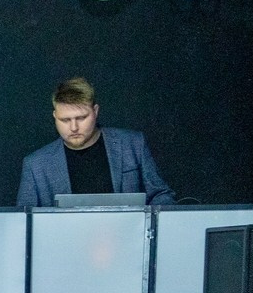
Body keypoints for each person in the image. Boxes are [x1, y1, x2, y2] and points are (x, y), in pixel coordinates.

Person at [16, 77, 173, 208]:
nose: (74, 127)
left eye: (81, 117)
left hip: (130, 240)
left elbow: (161, 195)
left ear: (95, 111)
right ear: (54, 116)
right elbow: (24, 223)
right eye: (65, 120)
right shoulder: (35, 165)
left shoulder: (132, 144)